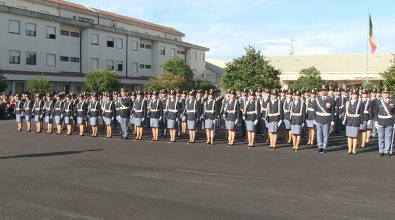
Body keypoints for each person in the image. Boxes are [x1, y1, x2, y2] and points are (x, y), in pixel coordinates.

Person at [373, 87, 395, 157]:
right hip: (380, 121)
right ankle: (381, 150)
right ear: (381, 94)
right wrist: (376, 121)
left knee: (388, 137)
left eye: (387, 93)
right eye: (384, 93)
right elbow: (375, 112)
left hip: (389, 121)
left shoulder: (393, 101)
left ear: (389, 93)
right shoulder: (378, 101)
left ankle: (387, 151)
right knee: (381, 137)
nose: (386, 94)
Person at [313, 85, 335, 153]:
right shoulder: (317, 99)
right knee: (319, 134)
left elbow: (332, 111)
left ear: (327, 91)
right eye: (322, 90)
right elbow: (314, 109)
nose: (323, 91)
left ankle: (324, 146)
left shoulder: (331, 99)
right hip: (318, 118)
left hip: (327, 118)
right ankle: (320, 146)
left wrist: (332, 120)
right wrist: (314, 118)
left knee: (325, 134)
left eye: (324, 90)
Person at [343, 89, 364, 155]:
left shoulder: (360, 103)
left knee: (354, 136)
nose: (354, 96)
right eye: (353, 94)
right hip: (349, 120)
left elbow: (361, 113)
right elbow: (345, 112)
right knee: (349, 136)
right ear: (351, 95)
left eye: (355, 94)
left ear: (357, 96)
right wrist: (344, 120)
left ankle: (354, 149)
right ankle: (349, 149)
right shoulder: (347, 103)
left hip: (356, 120)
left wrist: (361, 121)